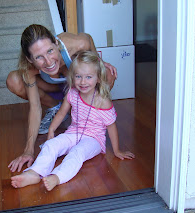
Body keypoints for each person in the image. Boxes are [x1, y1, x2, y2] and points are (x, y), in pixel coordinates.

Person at [11, 51, 134, 191]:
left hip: (93, 140)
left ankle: (57, 177)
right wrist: (51, 129)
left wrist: (117, 150)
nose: (83, 82)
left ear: (98, 79)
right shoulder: (72, 93)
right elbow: (62, 112)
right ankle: (34, 173)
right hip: (73, 133)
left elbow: (111, 127)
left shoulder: (103, 101)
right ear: (72, 77)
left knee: (77, 152)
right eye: (78, 76)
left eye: (88, 77)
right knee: (51, 145)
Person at [7, 24, 118, 173]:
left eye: (50, 51)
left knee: (108, 74)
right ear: (30, 59)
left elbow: (88, 39)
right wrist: (28, 150)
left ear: (56, 43)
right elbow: (35, 108)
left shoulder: (75, 45)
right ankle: (58, 108)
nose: (48, 61)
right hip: (54, 90)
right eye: (39, 57)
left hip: (77, 88)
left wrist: (99, 62)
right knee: (14, 79)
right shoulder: (30, 68)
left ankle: (87, 115)